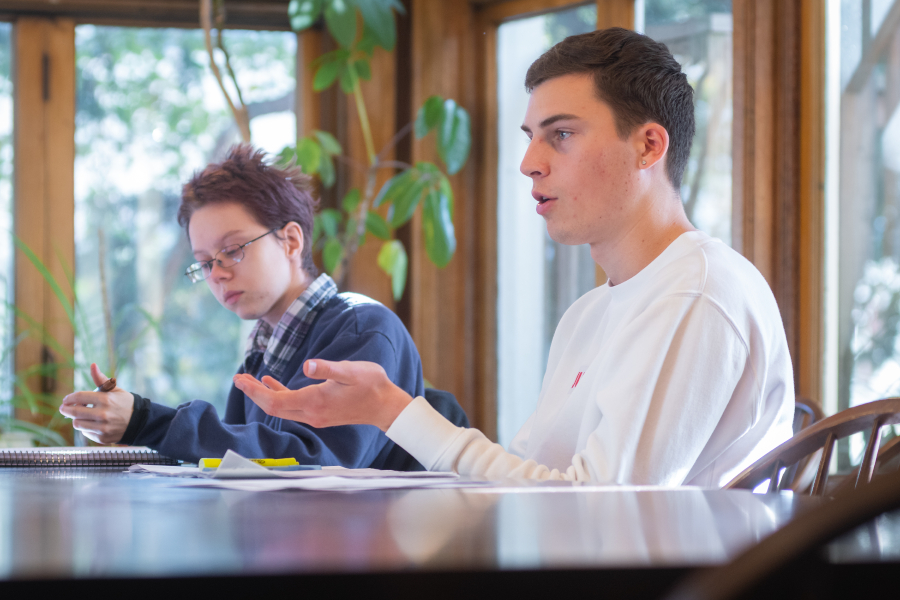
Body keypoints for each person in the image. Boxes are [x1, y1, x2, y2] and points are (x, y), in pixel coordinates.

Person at [233, 28, 796, 486]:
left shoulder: (696, 291)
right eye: (531, 136)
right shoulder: (590, 313)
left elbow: (602, 512)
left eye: (562, 135)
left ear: (649, 145)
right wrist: (386, 414)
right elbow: (528, 480)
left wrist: (396, 410)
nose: (529, 162)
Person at [59, 144, 425, 468]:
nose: (216, 274)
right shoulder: (259, 357)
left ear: (291, 240)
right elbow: (240, 462)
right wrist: (128, 425)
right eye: (204, 263)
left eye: (232, 251)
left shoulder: (361, 329)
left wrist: (145, 420)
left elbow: (314, 463)